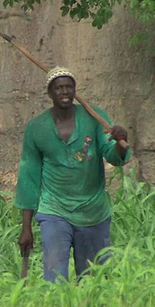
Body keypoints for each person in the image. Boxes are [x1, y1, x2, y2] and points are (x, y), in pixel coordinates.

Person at [15, 66, 131, 283]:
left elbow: (113, 156)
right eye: (58, 88)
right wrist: (26, 228)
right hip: (54, 210)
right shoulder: (36, 128)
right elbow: (29, 178)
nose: (64, 91)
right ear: (49, 93)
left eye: (69, 87)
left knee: (94, 281)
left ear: (76, 91)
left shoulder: (93, 118)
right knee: (55, 277)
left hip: (93, 212)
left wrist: (121, 143)